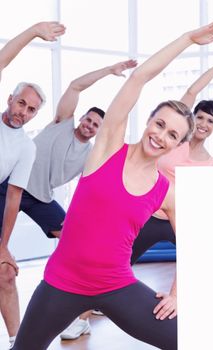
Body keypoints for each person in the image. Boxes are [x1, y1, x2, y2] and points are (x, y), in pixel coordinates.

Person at [12, 18, 213, 350]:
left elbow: (192, 244)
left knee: (186, 339)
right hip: (61, 283)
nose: (161, 136)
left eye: (172, 134)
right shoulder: (107, 148)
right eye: (159, 124)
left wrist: (177, 294)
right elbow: (140, 77)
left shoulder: (166, 191)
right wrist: (187, 38)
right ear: (148, 121)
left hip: (116, 286)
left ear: (178, 145)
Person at [4, 59, 137, 341]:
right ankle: (18, 337)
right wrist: (108, 71)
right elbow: (76, 85)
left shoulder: (91, 155)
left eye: (96, 125)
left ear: (99, 131)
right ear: (81, 118)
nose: (89, 125)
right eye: (88, 119)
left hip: (41, 198)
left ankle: (81, 305)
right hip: (10, 187)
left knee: (75, 238)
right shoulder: (61, 124)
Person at [130, 51, 213, 265]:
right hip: (148, 215)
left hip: (177, 221)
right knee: (120, 261)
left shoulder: (212, 164)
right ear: (192, 119)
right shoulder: (174, 141)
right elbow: (192, 91)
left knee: (203, 261)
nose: (203, 124)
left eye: (210, 121)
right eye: (200, 117)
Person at [0, 21, 66, 350]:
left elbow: (13, 197)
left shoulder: (26, 147)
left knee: (5, 272)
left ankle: (18, 343)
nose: (23, 112)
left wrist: (4, 245)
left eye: (31, 110)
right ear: (10, 98)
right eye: (21, 104)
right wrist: (32, 32)